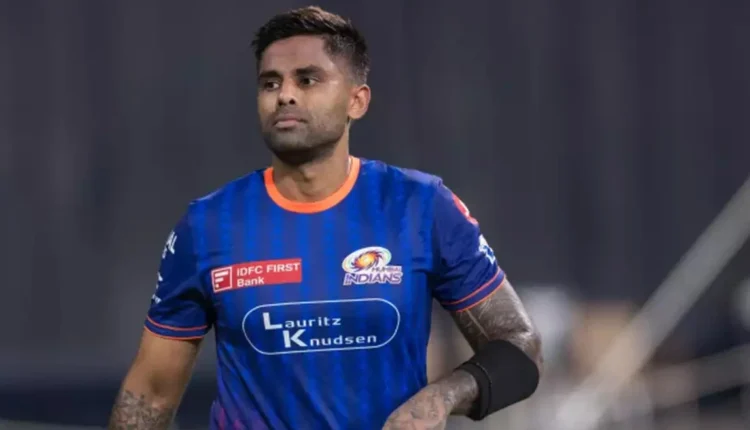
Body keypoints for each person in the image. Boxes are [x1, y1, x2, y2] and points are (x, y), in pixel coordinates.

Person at [107, 6, 542, 430]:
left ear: (357, 101)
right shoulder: (206, 226)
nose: (285, 94)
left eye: (307, 79)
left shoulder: (422, 207)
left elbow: (519, 347)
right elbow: (151, 393)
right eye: (270, 83)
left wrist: (440, 397)